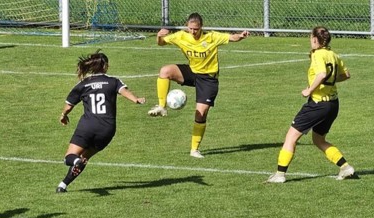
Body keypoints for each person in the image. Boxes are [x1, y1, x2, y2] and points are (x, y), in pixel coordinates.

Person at [147, 12, 250, 158]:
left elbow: (231, 37)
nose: (193, 32)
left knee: (200, 114)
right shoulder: (181, 36)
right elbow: (162, 42)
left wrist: (241, 35)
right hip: (192, 72)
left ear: (201, 27)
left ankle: (194, 149)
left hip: (208, 78)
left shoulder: (211, 37)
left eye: (196, 29)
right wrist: (159, 36)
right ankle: (161, 106)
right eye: (190, 28)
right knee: (165, 71)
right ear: (187, 26)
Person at [266, 26, 355, 183]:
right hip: (333, 104)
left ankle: (279, 175)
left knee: (291, 137)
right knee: (319, 140)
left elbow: (321, 74)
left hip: (318, 104)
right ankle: (345, 167)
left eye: (310, 38)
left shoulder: (318, 54)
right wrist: (331, 81)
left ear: (315, 39)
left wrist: (309, 89)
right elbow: (346, 75)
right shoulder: (332, 54)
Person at [56, 50, 145, 193]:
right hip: (107, 129)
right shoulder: (113, 81)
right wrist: (136, 100)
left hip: (88, 126)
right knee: (85, 157)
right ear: (106, 66)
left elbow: (68, 106)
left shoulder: (83, 84)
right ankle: (63, 185)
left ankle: (74, 164)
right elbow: (124, 91)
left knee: (69, 158)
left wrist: (63, 115)